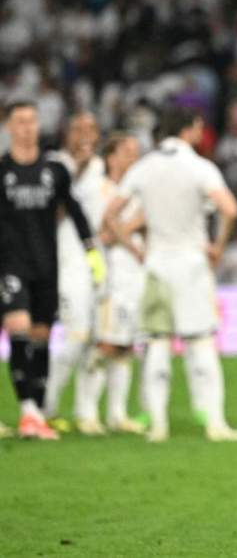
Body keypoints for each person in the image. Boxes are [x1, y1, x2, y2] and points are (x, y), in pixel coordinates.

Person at [103, 107, 237, 444]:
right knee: (201, 344)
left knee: (157, 344)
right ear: (190, 129)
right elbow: (230, 209)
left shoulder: (144, 168)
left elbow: (110, 217)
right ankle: (216, 424)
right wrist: (218, 246)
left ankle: (158, 426)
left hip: (156, 265)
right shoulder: (200, 167)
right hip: (192, 265)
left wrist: (135, 249)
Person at [0, 100, 104, 441]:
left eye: (32, 120)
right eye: (20, 121)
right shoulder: (2, 170)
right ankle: (29, 411)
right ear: (9, 127)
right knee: (19, 326)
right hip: (11, 264)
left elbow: (74, 209)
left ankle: (39, 410)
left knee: (42, 336)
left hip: (46, 264)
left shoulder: (54, 170)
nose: (27, 127)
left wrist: (91, 251)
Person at [43, 110, 108, 434]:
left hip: (98, 261)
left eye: (91, 128)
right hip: (66, 260)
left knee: (97, 341)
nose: (85, 134)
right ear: (66, 133)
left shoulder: (100, 166)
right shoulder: (53, 165)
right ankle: (45, 407)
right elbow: (53, 211)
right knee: (76, 335)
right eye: (78, 128)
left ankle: (87, 413)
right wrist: (77, 168)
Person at [93, 132, 148, 434]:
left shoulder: (136, 190)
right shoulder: (99, 188)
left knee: (126, 345)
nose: (133, 157)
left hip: (134, 277)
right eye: (127, 151)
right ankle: (87, 411)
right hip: (109, 276)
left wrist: (122, 228)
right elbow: (100, 234)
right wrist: (131, 228)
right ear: (111, 157)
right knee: (105, 344)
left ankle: (117, 413)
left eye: (136, 152)